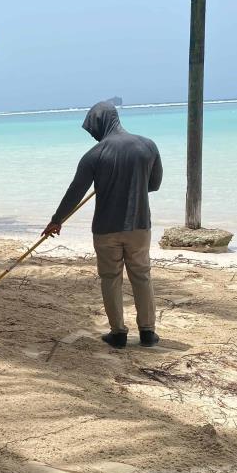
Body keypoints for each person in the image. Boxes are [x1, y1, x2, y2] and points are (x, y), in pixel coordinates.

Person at [41, 101, 163, 348]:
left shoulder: (94, 156)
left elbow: (75, 193)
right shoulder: (147, 146)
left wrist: (57, 221)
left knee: (111, 278)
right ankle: (148, 332)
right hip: (139, 226)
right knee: (142, 276)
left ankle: (118, 333)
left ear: (99, 124)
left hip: (106, 229)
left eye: (92, 129)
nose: (93, 135)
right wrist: (133, 183)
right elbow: (154, 184)